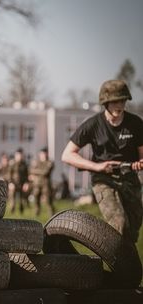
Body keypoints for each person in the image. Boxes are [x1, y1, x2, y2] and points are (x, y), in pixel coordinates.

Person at [61, 79, 143, 243]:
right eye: (114, 102)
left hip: (130, 178)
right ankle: (116, 265)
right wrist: (97, 167)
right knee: (118, 224)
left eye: (122, 100)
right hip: (103, 179)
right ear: (105, 102)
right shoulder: (92, 125)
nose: (119, 105)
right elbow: (67, 155)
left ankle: (128, 267)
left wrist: (139, 162)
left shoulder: (135, 123)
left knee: (132, 230)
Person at [29, 147, 55, 216]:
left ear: (47, 154)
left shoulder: (50, 162)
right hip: (37, 184)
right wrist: (38, 172)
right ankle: (37, 212)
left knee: (48, 199)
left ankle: (51, 213)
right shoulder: (36, 162)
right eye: (41, 154)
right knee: (36, 197)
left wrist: (36, 172)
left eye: (44, 153)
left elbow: (45, 172)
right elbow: (31, 170)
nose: (43, 155)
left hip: (46, 184)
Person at [8, 148, 29, 214]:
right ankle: (12, 211)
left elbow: (27, 175)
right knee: (12, 199)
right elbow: (9, 174)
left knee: (22, 200)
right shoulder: (12, 163)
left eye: (21, 155)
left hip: (22, 184)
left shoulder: (24, 164)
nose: (19, 157)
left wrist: (26, 183)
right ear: (15, 155)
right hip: (13, 184)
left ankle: (21, 212)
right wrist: (10, 183)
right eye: (18, 155)